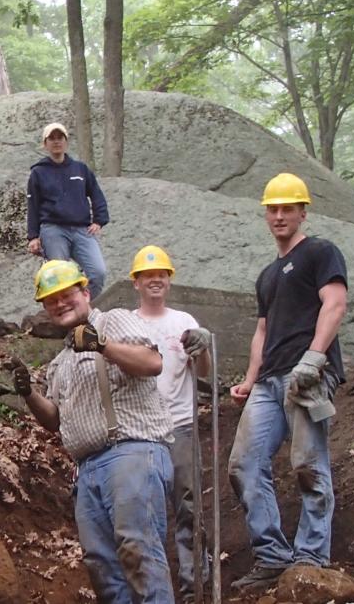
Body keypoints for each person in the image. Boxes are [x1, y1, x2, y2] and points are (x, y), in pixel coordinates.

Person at [13, 259, 174, 603]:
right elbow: (55, 421)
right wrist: (29, 394)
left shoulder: (114, 321)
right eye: (51, 300)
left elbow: (152, 363)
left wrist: (102, 345)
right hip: (87, 470)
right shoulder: (62, 360)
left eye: (66, 294)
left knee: (138, 547)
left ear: (85, 292)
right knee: (102, 564)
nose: (60, 304)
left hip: (130, 452)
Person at [227, 173, 347, 590]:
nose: (279, 215)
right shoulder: (267, 275)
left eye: (286, 208)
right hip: (269, 381)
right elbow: (262, 331)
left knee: (308, 465)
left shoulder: (320, 252)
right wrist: (249, 380)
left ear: (302, 211)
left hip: (307, 375)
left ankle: (311, 560)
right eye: (272, 209)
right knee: (244, 465)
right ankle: (274, 558)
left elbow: (334, 303)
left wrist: (314, 359)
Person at [129, 245, 213, 600]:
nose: (155, 280)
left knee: (188, 505)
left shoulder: (184, 322)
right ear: (137, 282)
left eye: (161, 275)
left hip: (180, 424)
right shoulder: (128, 324)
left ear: (169, 280)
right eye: (148, 275)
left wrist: (204, 348)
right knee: (147, 512)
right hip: (141, 429)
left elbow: (204, 377)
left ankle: (196, 585)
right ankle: (154, 589)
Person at [25, 122, 110, 298]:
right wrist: (33, 236)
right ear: (45, 144)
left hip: (81, 229)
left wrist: (99, 220)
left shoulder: (80, 169)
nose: (56, 142)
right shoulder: (38, 173)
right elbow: (32, 206)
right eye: (52, 138)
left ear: (66, 141)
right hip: (53, 230)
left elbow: (96, 194)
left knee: (98, 272)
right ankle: (64, 317)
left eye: (60, 137)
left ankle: (83, 311)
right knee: (59, 278)